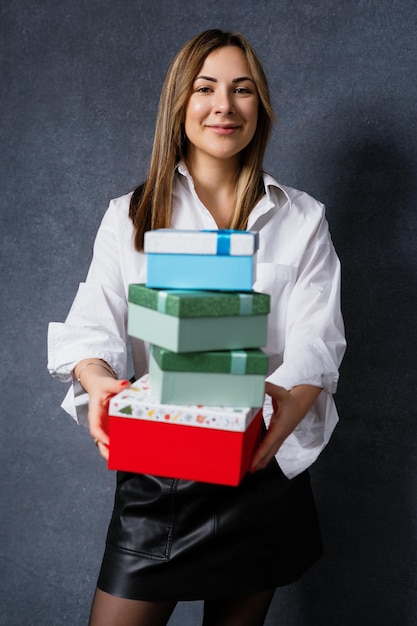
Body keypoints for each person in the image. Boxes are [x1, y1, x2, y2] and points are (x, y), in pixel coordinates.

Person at [48, 29, 346, 626]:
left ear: (259, 106)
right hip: (160, 472)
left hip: (259, 468)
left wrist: (288, 402)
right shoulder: (128, 216)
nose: (224, 106)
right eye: (206, 88)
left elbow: (320, 339)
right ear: (180, 102)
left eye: (243, 90)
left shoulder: (302, 217)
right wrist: (98, 380)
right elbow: (91, 327)